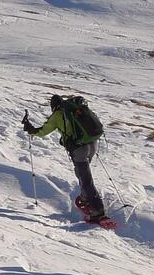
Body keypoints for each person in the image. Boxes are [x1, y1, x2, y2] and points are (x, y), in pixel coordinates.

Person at [23, 94, 107, 224]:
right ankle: (86, 198)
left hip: (79, 149)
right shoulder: (74, 110)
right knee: (82, 174)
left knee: (85, 179)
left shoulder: (58, 115)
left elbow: (43, 131)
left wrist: (30, 129)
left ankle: (98, 211)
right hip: (93, 144)